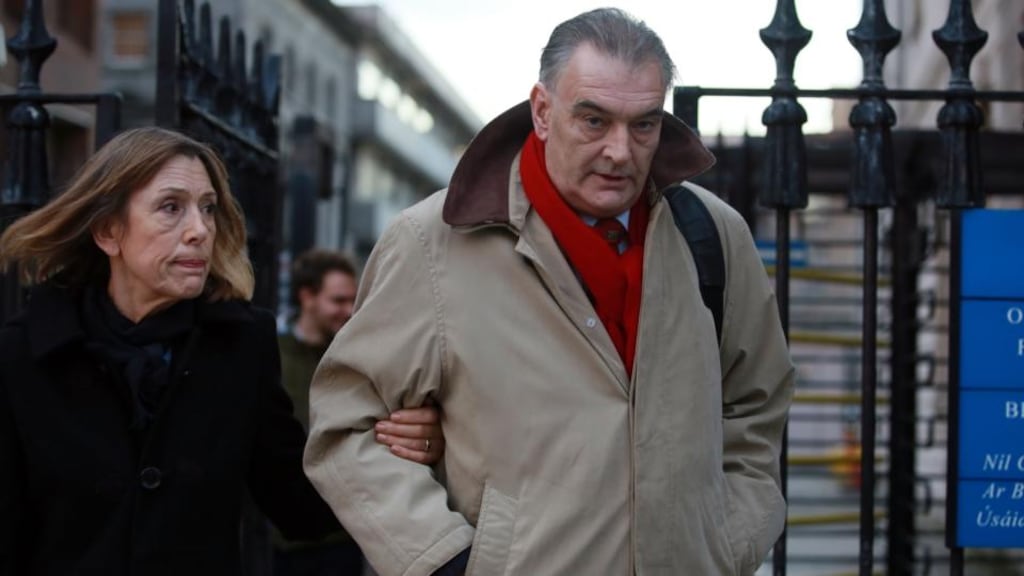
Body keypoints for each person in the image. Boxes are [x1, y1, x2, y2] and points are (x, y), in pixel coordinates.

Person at [304, 7, 795, 576]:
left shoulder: (714, 235)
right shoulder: (432, 241)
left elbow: (757, 403)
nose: (620, 150)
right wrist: (444, 561)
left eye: (643, 125)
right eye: (594, 120)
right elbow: (347, 427)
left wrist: (723, 544)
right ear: (542, 111)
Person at [0, 127, 442, 576]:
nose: (199, 230)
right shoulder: (25, 353)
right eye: (171, 207)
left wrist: (395, 446)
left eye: (208, 208)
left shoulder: (241, 346)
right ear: (108, 231)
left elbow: (299, 507)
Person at [274, 249, 445, 574]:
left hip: (347, 535)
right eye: (338, 300)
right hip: (282, 540)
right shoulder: (273, 355)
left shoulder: (365, 359)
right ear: (307, 297)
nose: (349, 310)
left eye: (354, 300)